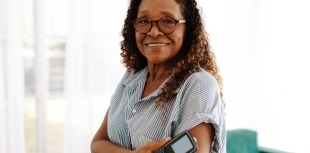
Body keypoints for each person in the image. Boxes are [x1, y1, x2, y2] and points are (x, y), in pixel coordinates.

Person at [91, 0, 226, 152]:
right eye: (144, 21)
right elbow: (98, 143)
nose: (154, 32)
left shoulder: (199, 86)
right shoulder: (131, 76)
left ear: (188, 29)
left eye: (168, 21)